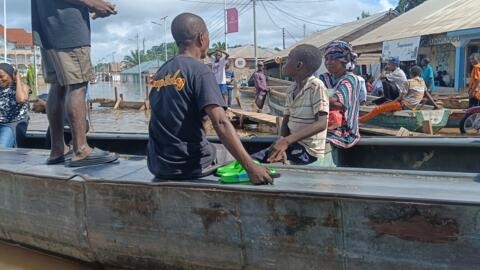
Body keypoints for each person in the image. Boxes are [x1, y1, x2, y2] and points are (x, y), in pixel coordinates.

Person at [147, 12, 273, 185]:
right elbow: (220, 123)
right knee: (239, 155)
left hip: (157, 164)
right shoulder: (200, 71)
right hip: (186, 166)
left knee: (217, 147)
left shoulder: (162, 71)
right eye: (208, 36)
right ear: (202, 38)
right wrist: (251, 168)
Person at [31, 0, 118, 166]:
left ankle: (58, 149)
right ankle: (81, 149)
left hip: (48, 31)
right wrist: (93, 4)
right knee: (77, 85)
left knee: (57, 86)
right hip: (67, 30)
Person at [251, 44, 328, 165]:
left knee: (259, 160)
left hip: (307, 150)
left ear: (299, 65)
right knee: (252, 150)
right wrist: (282, 140)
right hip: (292, 143)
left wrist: (286, 142)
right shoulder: (291, 89)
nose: (285, 62)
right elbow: (286, 119)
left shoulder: (316, 86)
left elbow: (321, 123)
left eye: (289, 58)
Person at [319, 40, 361, 165]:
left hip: (344, 131)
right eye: (326, 59)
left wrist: (314, 98)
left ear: (343, 60)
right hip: (323, 125)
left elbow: (338, 104)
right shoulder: (324, 78)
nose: (328, 62)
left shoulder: (351, 79)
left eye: (333, 59)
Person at [359, 66, 440, 123]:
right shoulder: (422, 82)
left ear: (411, 73)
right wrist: (435, 105)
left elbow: (400, 98)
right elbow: (428, 95)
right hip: (410, 106)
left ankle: (359, 120)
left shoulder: (408, 82)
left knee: (377, 109)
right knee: (385, 104)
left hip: (403, 105)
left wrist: (392, 102)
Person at [0, 63, 29, 148]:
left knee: (1, 149)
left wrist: (18, 79)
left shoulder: (23, 87)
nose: (0, 80)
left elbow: (21, 99)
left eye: (2, 76)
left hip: (11, 124)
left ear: (11, 75)